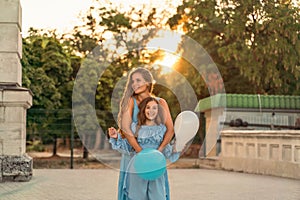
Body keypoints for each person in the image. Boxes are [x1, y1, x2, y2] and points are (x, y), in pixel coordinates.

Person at [110, 67, 175, 200]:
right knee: (135, 194)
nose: (134, 84)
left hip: (155, 156)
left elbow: (170, 129)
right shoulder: (130, 101)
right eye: (132, 81)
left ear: (148, 82)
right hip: (134, 155)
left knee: (156, 193)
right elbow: (127, 130)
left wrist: (159, 151)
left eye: (138, 80)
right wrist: (141, 153)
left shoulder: (160, 102)